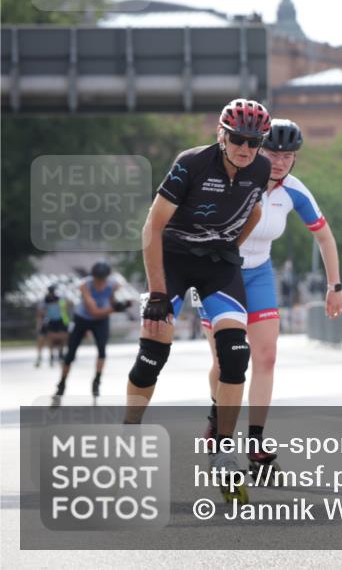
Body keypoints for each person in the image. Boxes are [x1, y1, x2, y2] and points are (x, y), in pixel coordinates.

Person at [123, 98, 272, 502]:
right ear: (221, 135)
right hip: (172, 259)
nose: (246, 148)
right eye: (239, 139)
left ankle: (223, 452)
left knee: (235, 353)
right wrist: (157, 293)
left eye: (254, 142)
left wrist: (230, 247)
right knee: (153, 351)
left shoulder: (259, 169)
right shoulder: (191, 163)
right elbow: (152, 227)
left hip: (217, 263)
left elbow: (254, 213)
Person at [196, 119, 342, 476]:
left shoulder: (294, 191)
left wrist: (334, 287)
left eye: (288, 155)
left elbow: (325, 237)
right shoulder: (230, 179)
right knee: (225, 361)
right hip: (219, 273)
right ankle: (218, 418)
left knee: (265, 357)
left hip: (260, 273)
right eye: (272, 153)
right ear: (256, 148)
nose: (279, 162)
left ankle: (256, 440)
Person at [51, 263, 130, 405]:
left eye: (102, 280)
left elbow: (117, 290)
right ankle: (61, 384)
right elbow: (94, 312)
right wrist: (114, 308)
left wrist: (119, 302)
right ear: (93, 277)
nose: (100, 283)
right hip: (83, 318)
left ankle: (97, 381)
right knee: (70, 354)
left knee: (102, 351)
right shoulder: (85, 286)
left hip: (101, 321)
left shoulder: (112, 283)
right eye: (97, 279)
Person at [36, 284, 70, 367]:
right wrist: (40, 323)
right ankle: (47, 356)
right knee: (46, 338)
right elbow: (40, 312)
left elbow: (66, 306)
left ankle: (61, 353)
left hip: (60, 320)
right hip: (50, 321)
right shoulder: (45, 300)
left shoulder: (60, 299)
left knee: (63, 337)